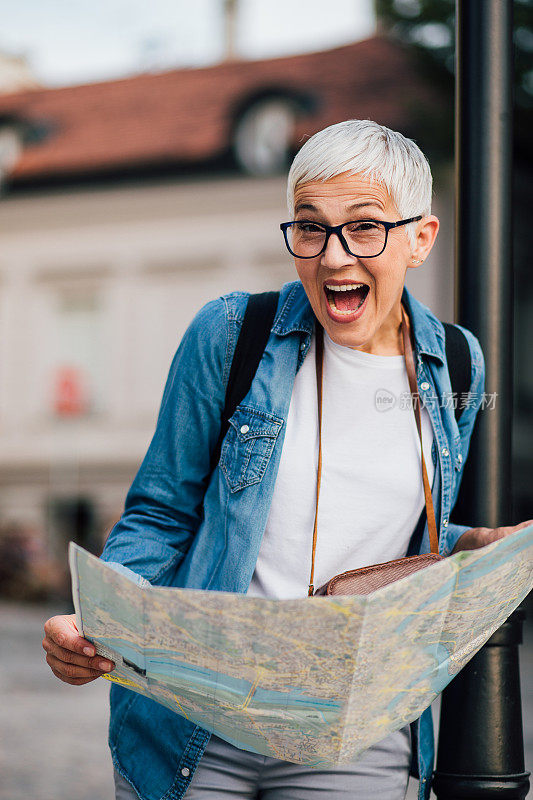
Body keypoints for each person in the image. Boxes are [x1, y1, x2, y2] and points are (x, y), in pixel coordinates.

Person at [42, 119, 532, 800]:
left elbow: (391, 535)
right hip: (198, 717)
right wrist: (100, 619)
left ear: (420, 238)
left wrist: (466, 543)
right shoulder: (232, 334)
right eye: (309, 226)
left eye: (364, 228)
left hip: (351, 734)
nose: (333, 258)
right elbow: (162, 510)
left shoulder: (455, 361)